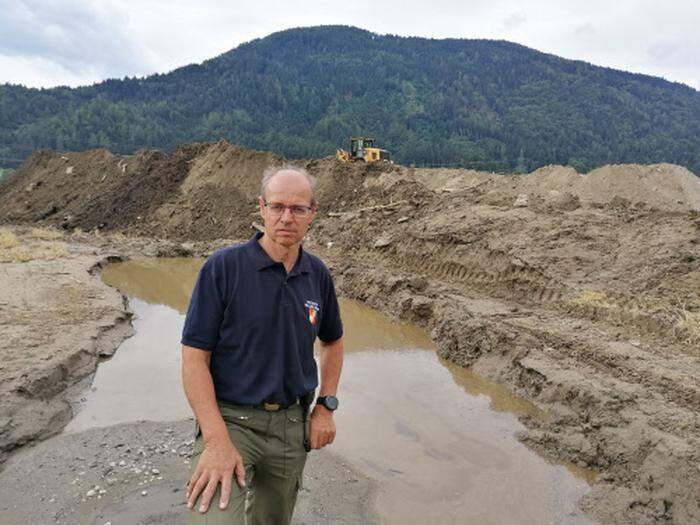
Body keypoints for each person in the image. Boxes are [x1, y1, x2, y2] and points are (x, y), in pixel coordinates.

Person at [180, 165, 344, 524]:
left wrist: (326, 406)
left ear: (312, 214)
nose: (287, 217)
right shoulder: (223, 268)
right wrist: (215, 441)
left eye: (298, 209)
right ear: (261, 208)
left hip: (290, 425)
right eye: (277, 206)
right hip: (231, 421)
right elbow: (194, 358)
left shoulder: (317, 275)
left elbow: (333, 341)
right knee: (214, 517)